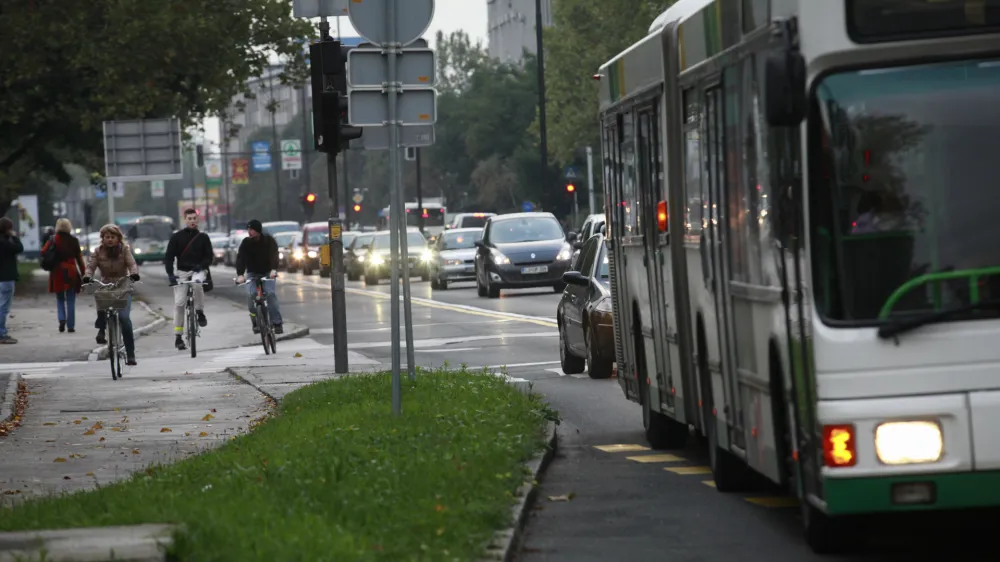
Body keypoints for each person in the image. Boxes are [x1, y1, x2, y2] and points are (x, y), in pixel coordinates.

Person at [82, 224, 141, 365]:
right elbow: (90, 266)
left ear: (118, 238)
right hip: (106, 284)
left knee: (124, 318)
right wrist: (87, 276)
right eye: (107, 237)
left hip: (123, 285)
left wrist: (134, 274)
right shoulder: (98, 251)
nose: (110, 240)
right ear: (102, 239)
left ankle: (130, 353)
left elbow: (132, 264)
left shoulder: (124, 250)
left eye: (113, 237)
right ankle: (101, 329)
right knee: (100, 296)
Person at [164, 208, 213, 351]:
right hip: (182, 271)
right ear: (185, 220)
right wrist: (170, 275)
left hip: (198, 270)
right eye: (189, 219)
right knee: (179, 303)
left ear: (198, 220)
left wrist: (201, 266)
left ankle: (199, 312)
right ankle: (178, 337)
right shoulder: (176, 237)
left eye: (194, 218)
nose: (192, 221)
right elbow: (169, 257)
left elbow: (209, 256)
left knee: (197, 284)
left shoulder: (203, 237)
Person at [235, 219, 283, 334]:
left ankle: (277, 323)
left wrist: (273, 269)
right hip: (252, 273)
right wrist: (240, 274)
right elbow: (241, 259)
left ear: (258, 230)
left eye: (251, 229)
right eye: (248, 229)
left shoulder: (268, 240)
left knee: (270, 293)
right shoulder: (246, 243)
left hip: (267, 272)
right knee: (252, 295)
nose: (249, 232)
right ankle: (255, 322)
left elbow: (274, 255)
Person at [43, 218, 85, 333]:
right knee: (71, 299)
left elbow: (43, 251)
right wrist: (84, 273)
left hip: (57, 271)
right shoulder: (74, 241)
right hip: (70, 271)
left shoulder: (53, 239)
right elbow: (80, 259)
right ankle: (71, 325)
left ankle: (61, 319)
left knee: (60, 298)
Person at [0, 217, 24, 344]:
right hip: (6, 278)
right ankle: (2, 333)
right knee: (4, 308)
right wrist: (14, 237)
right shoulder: (5, 242)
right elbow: (19, 248)